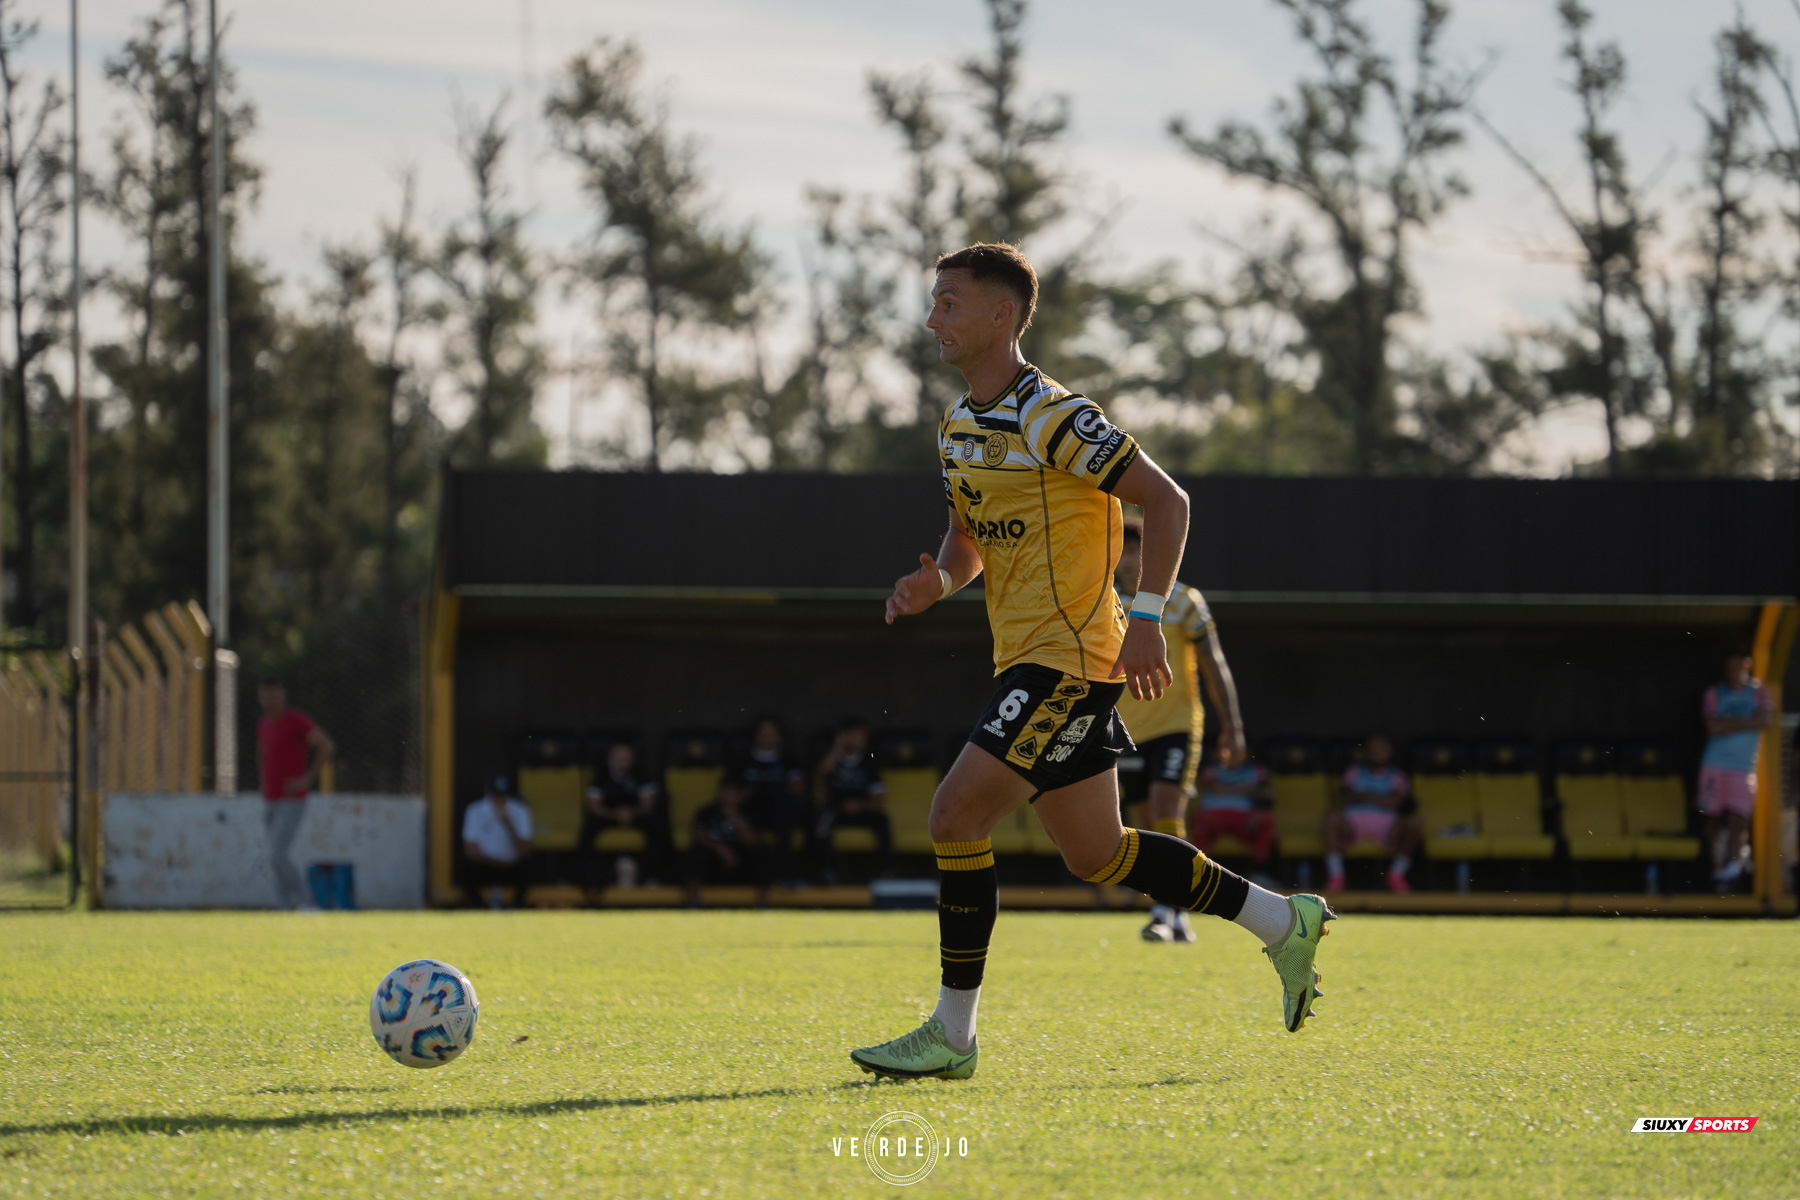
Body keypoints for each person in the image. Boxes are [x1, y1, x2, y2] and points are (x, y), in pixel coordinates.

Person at [849, 242, 1333, 1082]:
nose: (933, 319)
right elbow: (966, 544)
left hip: (1070, 658)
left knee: (954, 816)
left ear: (1003, 315)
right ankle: (1280, 922)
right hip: (1025, 658)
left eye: (950, 303)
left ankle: (952, 1034)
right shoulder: (959, 426)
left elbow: (1167, 500)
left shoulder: (1055, 415)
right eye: (933, 302)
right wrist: (939, 583)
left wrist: (1146, 616)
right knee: (1097, 852)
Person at [1113, 515, 1250, 944]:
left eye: (1136, 550)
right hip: (1125, 730)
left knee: (1166, 809)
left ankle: (1162, 910)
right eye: (1122, 551)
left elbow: (1214, 662)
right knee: (1142, 823)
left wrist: (1233, 725)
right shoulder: (1105, 602)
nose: (1128, 560)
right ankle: (1177, 908)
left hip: (1175, 725)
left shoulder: (1184, 600)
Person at [255, 679, 335, 911]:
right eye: (266, 695)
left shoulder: (296, 721)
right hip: (270, 799)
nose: (271, 700)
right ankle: (285, 909)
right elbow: (262, 754)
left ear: (283, 696)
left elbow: (326, 746)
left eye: (275, 694)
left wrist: (307, 779)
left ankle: (305, 902)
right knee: (274, 859)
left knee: (276, 854)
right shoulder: (263, 724)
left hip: (292, 800)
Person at [1700, 651, 1774, 887]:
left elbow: (1766, 720)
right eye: (1729, 665)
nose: (1733, 670)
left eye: (1738, 665)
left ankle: (1732, 869)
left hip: (1743, 768)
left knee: (1738, 820)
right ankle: (1718, 867)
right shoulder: (1714, 693)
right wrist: (1748, 722)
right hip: (1714, 765)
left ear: (1747, 665)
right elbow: (1713, 727)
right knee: (1713, 820)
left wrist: (1729, 723)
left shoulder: (1759, 692)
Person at [1323, 734, 1421, 894]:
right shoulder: (1353, 771)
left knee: (1414, 822)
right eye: (1372, 749)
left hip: (1388, 827)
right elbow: (1344, 798)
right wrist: (1382, 798)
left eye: (1380, 749)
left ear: (1390, 751)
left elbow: (1397, 802)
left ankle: (1396, 874)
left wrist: (1363, 795)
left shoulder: (1398, 776)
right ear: (1366, 752)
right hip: (1353, 824)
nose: (1376, 752)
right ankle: (1336, 877)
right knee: (1331, 817)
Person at [578, 739, 670, 886]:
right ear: (610, 758)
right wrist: (615, 815)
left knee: (658, 826)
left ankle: (653, 878)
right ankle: (584, 879)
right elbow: (593, 805)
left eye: (627, 758)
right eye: (619, 758)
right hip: (608, 816)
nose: (624, 762)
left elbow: (648, 804)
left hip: (634, 815)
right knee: (588, 826)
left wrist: (631, 813)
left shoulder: (641, 772)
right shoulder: (600, 773)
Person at [733, 716, 812, 887]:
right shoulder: (743, 760)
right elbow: (729, 793)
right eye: (764, 733)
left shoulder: (789, 759)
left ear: (779, 735)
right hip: (752, 812)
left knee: (788, 816)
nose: (768, 736)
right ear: (756, 735)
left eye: (772, 733)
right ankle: (751, 880)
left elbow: (797, 789)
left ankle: (786, 876)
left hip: (781, 813)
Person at [814, 717, 895, 880]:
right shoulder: (834, 758)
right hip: (837, 810)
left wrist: (860, 805)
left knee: (883, 820)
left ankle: (888, 871)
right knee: (822, 822)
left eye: (864, 736)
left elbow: (879, 799)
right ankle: (828, 871)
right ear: (844, 736)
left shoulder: (869, 762)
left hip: (861, 809)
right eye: (857, 735)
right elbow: (822, 771)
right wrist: (838, 746)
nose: (862, 740)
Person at [684, 776, 773, 907]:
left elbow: (753, 840)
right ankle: (693, 902)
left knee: (763, 851)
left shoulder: (749, 812)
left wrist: (735, 817)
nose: (728, 796)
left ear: (741, 795)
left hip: (742, 860)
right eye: (725, 792)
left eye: (733, 793)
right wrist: (721, 849)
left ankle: (762, 902)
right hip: (715, 858)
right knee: (697, 852)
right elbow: (698, 837)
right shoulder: (706, 812)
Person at [1191, 756, 1277, 877]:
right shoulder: (1211, 769)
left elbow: (1269, 793)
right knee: (1200, 819)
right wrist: (1248, 788)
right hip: (1214, 816)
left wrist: (1259, 808)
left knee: (1266, 818)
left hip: (1244, 817)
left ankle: (1259, 872)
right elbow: (1215, 788)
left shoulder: (1257, 769)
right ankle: (1200, 872)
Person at [462, 775, 535, 909]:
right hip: (486, 864)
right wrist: (497, 861)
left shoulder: (520, 810)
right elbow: (471, 850)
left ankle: (516, 904)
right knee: (465, 866)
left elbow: (525, 849)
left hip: (512, 864)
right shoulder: (475, 810)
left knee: (530, 865)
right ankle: (478, 905)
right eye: (496, 797)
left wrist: (508, 824)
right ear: (488, 795)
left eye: (504, 797)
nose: (500, 801)